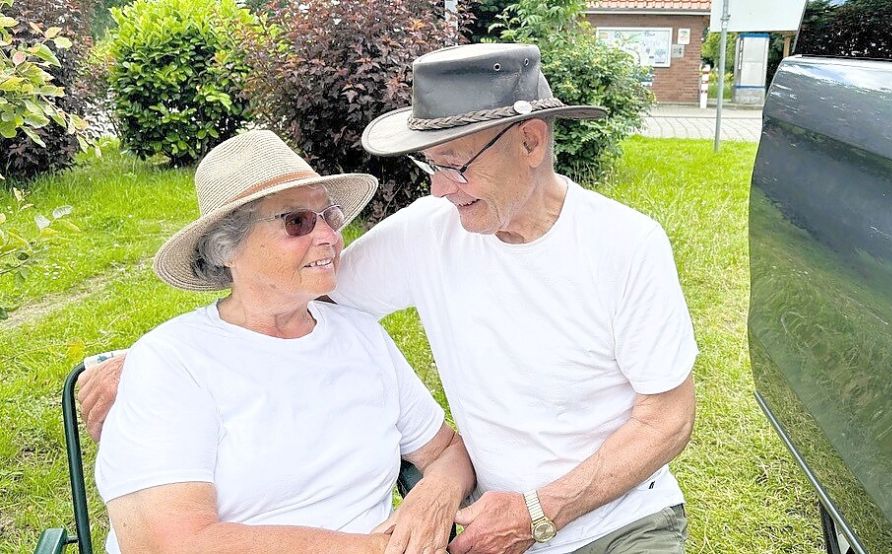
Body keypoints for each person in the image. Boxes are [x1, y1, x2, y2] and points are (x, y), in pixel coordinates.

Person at [83, 43, 698, 554]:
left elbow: (667, 419)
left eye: (454, 164)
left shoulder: (626, 245)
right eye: (431, 164)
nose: (438, 188)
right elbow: (283, 292)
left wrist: (538, 512)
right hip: (488, 530)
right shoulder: (432, 230)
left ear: (531, 143)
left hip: (618, 521)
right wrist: (149, 358)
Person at [93, 130, 474, 554]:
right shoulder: (173, 362)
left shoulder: (361, 335)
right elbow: (165, 543)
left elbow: (446, 451)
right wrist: (370, 550)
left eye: (329, 216)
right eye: (298, 221)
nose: (329, 235)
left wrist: (433, 496)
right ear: (226, 248)